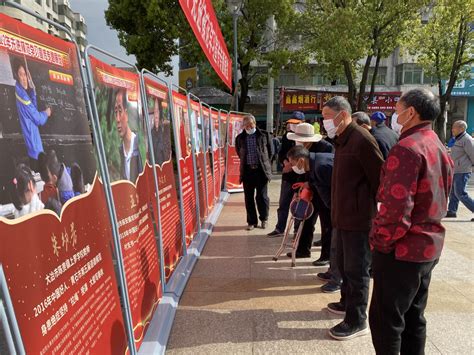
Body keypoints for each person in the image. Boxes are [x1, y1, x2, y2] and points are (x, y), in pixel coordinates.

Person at [369, 88, 454, 354]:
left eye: (398, 109)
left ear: (411, 113)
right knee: (414, 318)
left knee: (386, 322)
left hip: (402, 250)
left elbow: (396, 209)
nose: (396, 114)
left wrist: (379, 242)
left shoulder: (406, 148)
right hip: (429, 246)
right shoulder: (437, 144)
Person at [322, 96, 384, 340]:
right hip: (342, 216)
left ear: (342, 115)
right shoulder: (342, 141)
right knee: (345, 266)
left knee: (357, 271)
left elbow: (380, 179)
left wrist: (366, 207)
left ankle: (357, 320)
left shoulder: (362, 140)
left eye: (327, 117)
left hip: (359, 220)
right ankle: (346, 302)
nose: (324, 122)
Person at [286, 123, 334, 265]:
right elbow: (300, 171)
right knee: (305, 220)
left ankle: (326, 255)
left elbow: (325, 173)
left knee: (327, 224)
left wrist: (311, 184)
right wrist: (298, 191)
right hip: (308, 190)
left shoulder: (325, 148)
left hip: (323, 190)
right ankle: (303, 249)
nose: (297, 141)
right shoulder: (297, 150)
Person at [267, 111, 305, 237]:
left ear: (302, 123)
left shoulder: (307, 137)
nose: (293, 126)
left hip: (302, 177)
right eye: (291, 123)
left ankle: (297, 230)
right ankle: (280, 228)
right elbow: (282, 153)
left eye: (296, 124)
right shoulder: (286, 136)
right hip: (288, 176)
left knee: (299, 204)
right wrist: (286, 163)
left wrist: (294, 165)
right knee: (283, 203)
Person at [13, 58, 52, 171]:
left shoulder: (21, 92)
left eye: (25, 75)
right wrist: (46, 113)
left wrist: (33, 91)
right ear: (16, 75)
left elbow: (32, 109)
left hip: (33, 144)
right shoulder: (22, 96)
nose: (25, 79)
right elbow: (38, 119)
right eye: (21, 75)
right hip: (34, 147)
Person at [235, 114, 272, 230]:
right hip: (247, 172)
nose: (249, 127)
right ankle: (251, 222)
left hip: (261, 171)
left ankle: (264, 219)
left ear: (255, 123)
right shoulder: (240, 138)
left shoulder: (264, 135)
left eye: (250, 124)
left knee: (262, 197)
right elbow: (239, 153)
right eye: (246, 125)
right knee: (248, 198)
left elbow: (271, 152)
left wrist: (265, 164)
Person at [446, 120, 474, 220]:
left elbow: (472, 154)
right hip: (455, 169)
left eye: (455, 127)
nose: (452, 129)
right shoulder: (456, 138)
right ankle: (452, 211)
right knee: (452, 192)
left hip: (463, 170)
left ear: (461, 128)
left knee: (460, 193)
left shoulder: (467, 139)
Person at [114, 88, 142, 182]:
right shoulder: (120, 150)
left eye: (120, 111)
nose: (117, 119)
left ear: (127, 113)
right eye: (115, 112)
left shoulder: (140, 146)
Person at [150, 98, 172, 165]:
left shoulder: (165, 130)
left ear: (160, 113)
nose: (156, 115)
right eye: (154, 111)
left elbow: (167, 153)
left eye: (157, 111)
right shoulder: (151, 132)